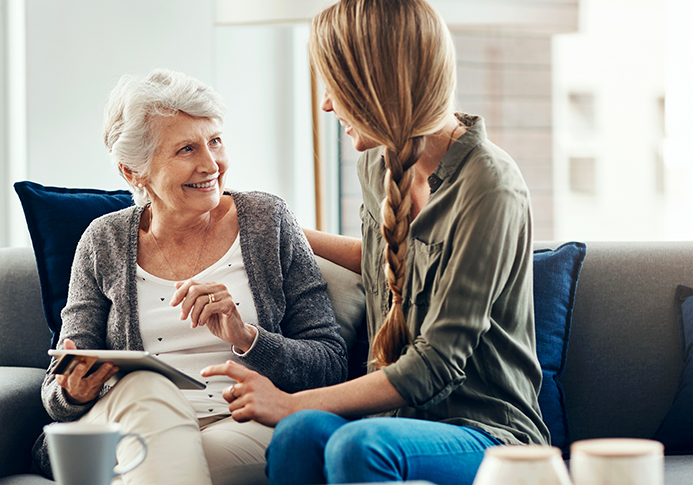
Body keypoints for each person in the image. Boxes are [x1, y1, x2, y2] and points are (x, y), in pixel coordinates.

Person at [201, 1, 550, 484]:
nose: (326, 105)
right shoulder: (377, 164)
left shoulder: (489, 185)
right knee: (298, 435)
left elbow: (435, 364)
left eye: (336, 87)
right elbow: (385, 260)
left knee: (355, 444)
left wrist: (289, 401)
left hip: (487, 432)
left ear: (378, 85)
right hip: (395, 425)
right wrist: (287, 232)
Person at [33, 68, 348, 485]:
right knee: (146, 388)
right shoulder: (102, 240)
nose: (210, 164)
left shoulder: (267, 220)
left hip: (238, 424)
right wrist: (72, 390)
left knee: (159, 462)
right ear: (133, 172)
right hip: (130, 419)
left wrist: (246, 337)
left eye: (214, 141)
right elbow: (59, 391)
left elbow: (331, 364)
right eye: (186, 149)